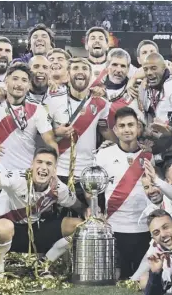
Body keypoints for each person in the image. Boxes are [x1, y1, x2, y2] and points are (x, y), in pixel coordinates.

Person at [0, 145, 86, 278]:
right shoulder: (16, 178)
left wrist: (88, 210)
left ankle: (43, 264)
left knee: (81, 226)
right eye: (39, 162)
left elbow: (79, 207)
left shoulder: (59, 188)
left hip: (36, 231)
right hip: (10, 232)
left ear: (54, 169)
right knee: (4, 227)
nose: (44, 167)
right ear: (32, 165)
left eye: (49, 164)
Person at [46, 58, 115, 204]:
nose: (80, 71)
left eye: (84, 68)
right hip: (58, 170)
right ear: (68, 74)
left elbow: (104, 130)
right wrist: (57, 132)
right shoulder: (52, 99)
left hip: (88, 170)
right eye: (75, 68)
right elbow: (41, 133)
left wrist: (121, 145)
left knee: (90, 215)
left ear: (90, 75)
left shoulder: (101, 103)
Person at [96, 107, 153, 279]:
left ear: (138, 128)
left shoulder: (149, 155)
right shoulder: (103, 154)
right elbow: (93, 190)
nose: (127, 129)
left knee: (142, 278)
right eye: (122, 126)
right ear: (115, 130)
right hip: (114, 228)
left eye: (130, 125)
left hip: (143, 228)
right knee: (116, 277)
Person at [93, 48, 143, 128]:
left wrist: (133, 79)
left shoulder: (136, 88)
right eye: (114, 65)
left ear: (128, 69)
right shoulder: (95, 89)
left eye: (123, 66)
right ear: (107, 66)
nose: (119, 70)